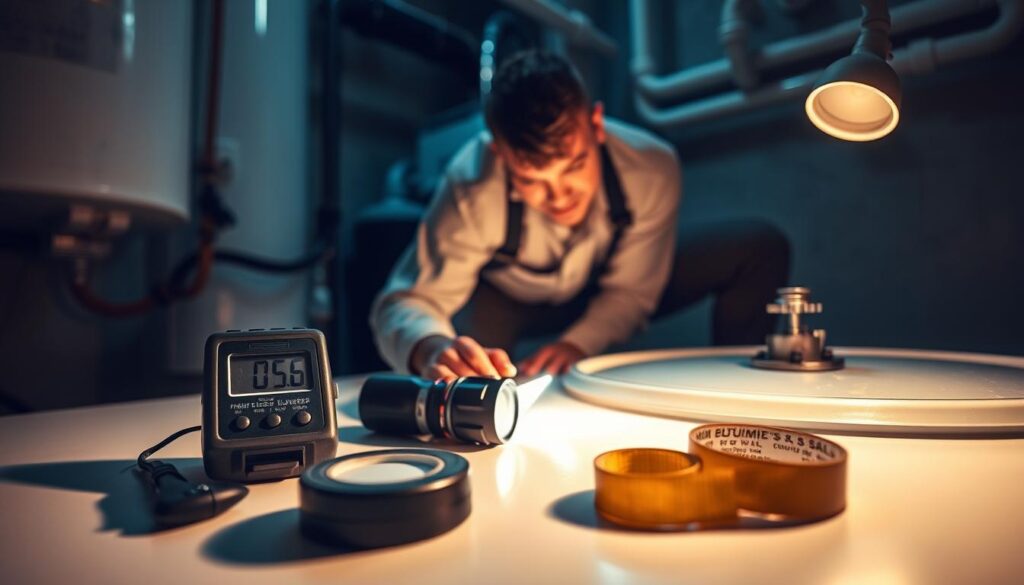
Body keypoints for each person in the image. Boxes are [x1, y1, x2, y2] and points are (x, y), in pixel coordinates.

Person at [371, 50, 789, 381]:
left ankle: (744, 389)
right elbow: (406, 301)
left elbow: (632, 292)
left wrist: (578, 344)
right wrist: (431, 349)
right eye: (533, 179)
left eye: (574, 165)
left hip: (609, 285)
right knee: (475, 382)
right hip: (506, 301)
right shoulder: (470, 183)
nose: (559, 195)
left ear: (597, 124)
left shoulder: (651, 166)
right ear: (500, 155)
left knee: (757, 246)